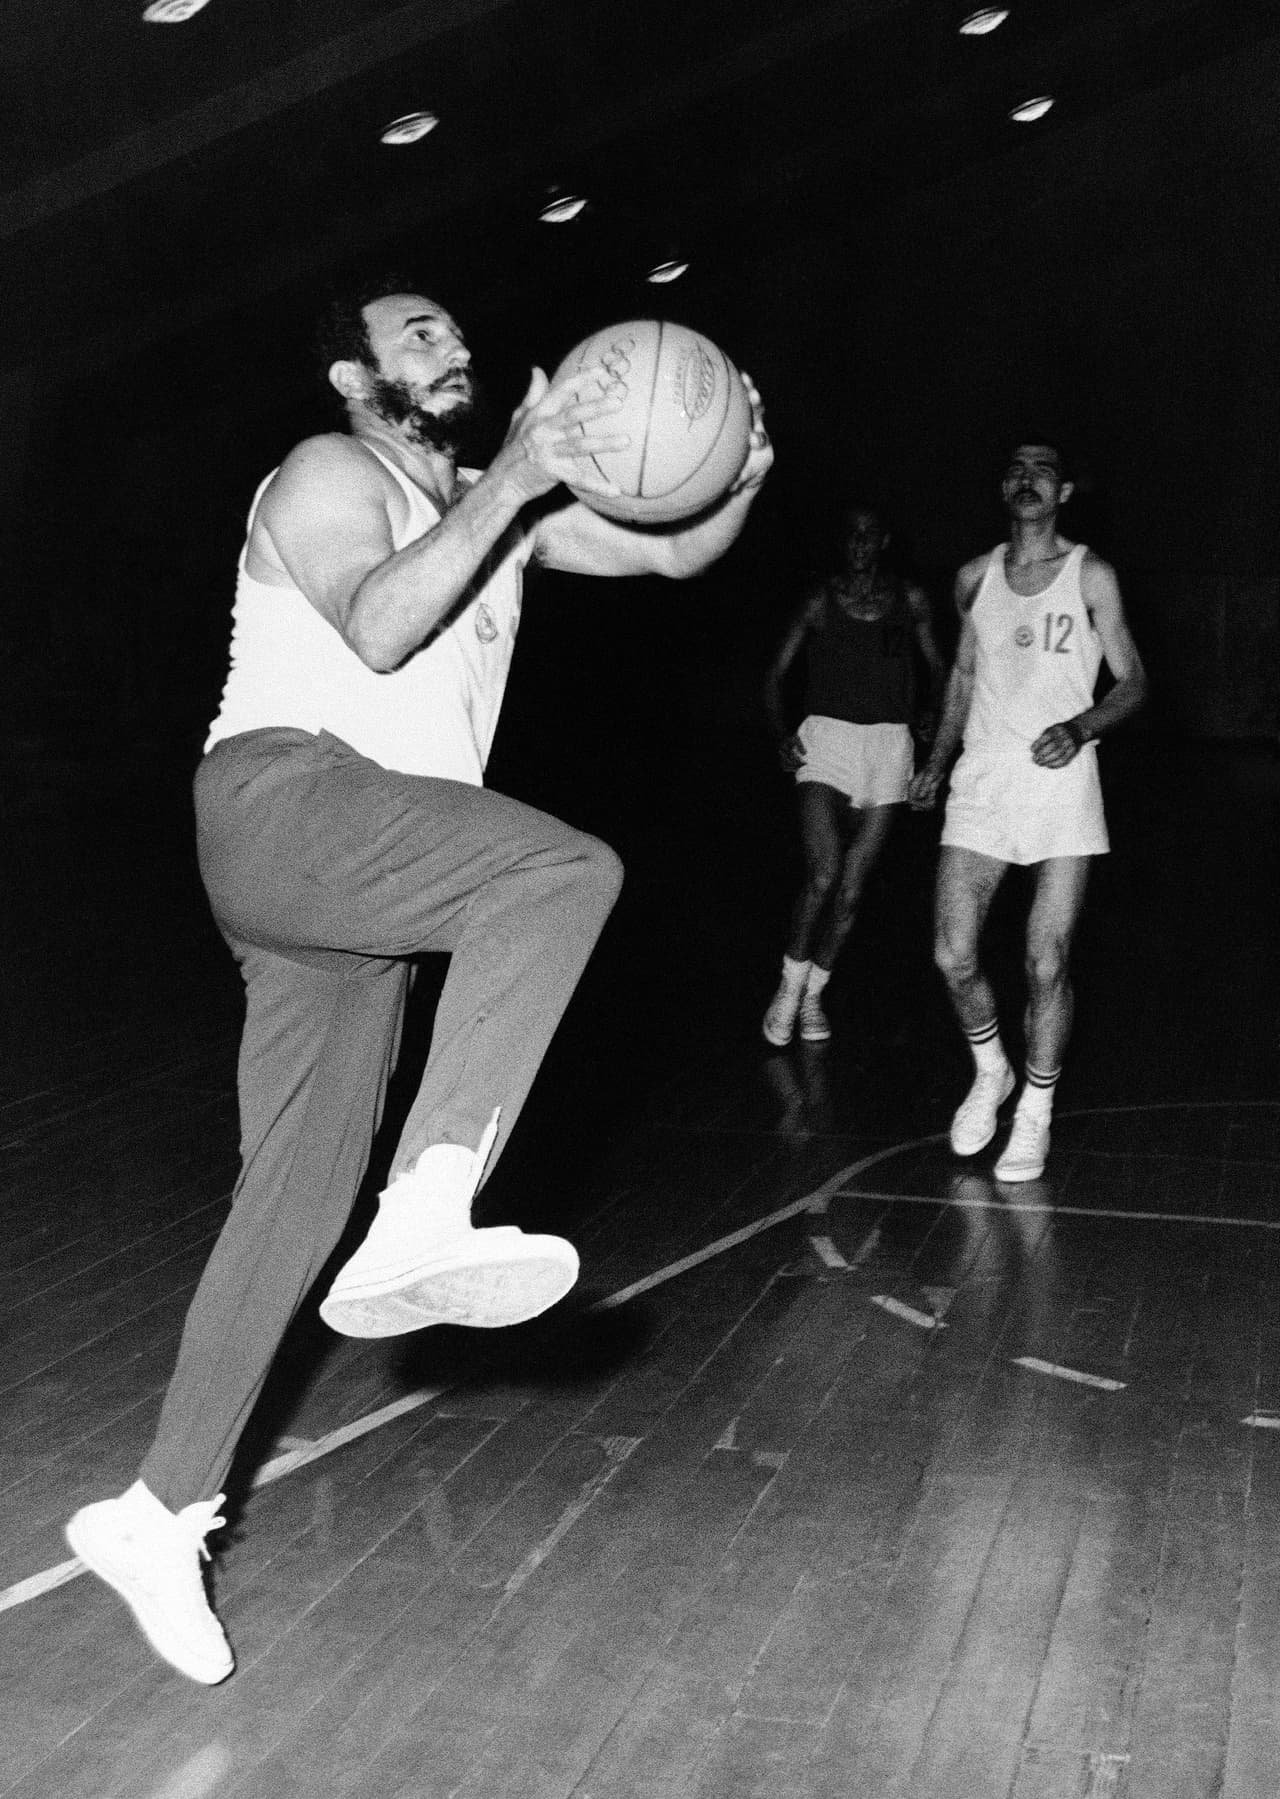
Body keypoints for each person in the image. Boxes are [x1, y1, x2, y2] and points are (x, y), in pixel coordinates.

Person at [64, 276, 772, 1684]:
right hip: (286, 799)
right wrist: (512, 470)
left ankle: (156, 1509)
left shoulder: (492, 520)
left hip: (360, 887)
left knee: (297, 1197)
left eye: (458, 326)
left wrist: (739, 459)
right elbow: (379, 628)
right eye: (419, 333)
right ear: (352, 376)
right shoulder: (332, 467)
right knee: (561, 872)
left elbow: (671, 554)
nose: (452, 344)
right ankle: (434, 1201)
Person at [908, 440, 1147, 1182]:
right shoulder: (973, 577)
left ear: (1065, 488)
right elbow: (962, 678)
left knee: (1046, 960)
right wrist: (937, 760)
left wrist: (1081, 727)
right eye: (1014, 467)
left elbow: (1133, 681)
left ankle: (1035, 1114)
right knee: (953, 952)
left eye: (1042, 468)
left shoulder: (1092, 574)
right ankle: (991, 1071)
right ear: (1003, 487)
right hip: (983, 780)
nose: (1026, 477)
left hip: (1062, 783)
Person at [761, 502, 943, 1045]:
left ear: (884, 540)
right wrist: (779, 735)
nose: (861, 542)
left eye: (870, 534)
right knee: (824, 873)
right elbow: (772, 675)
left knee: (851, 891)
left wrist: (932, 712)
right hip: (827, 741)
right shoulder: (821, 601)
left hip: (889, 746)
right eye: (852, 535)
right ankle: (788, 989)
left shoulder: (909, 601)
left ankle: (815, 995)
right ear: (844, 543)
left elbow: (940, 668)